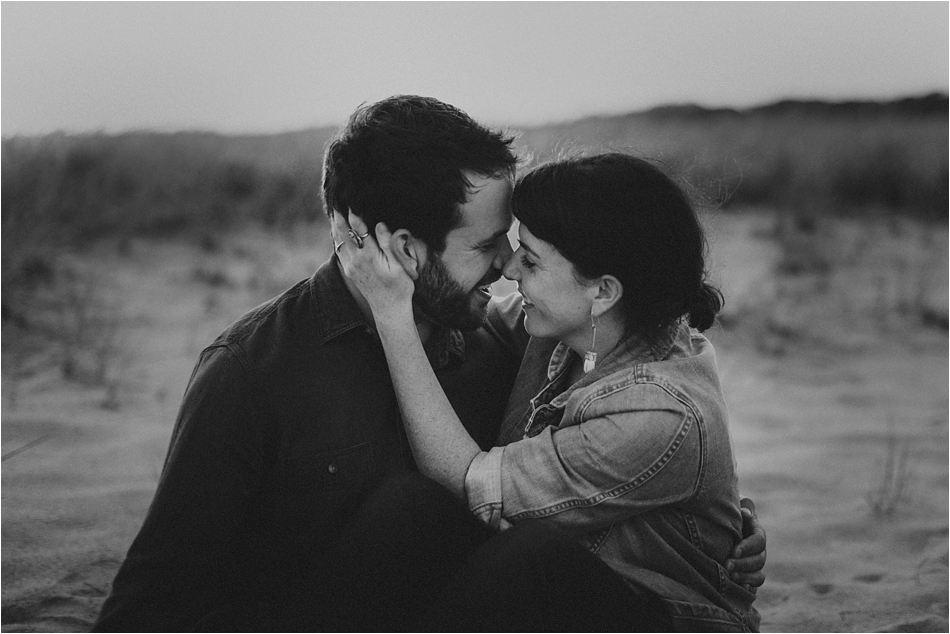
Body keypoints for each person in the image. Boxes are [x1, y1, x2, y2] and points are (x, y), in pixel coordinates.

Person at [93, 96, 764, 632]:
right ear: (408, 251)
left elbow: (632, 444)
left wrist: (718, 532)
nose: (506, 269)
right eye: (491, 247)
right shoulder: (254, 370)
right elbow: (151, 606)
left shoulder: (496, 339)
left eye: (520, 252)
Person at [332, 151, 762, 631]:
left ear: (602, 292)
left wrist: (391, 313)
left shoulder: (660, 412)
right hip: (566, 596)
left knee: (530, 557)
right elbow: (474, 320)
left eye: (531, 260)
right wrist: (404, 266)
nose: (510, 268)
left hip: (663, 617)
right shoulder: (575, 327)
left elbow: (473, 483)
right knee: (409, 508)